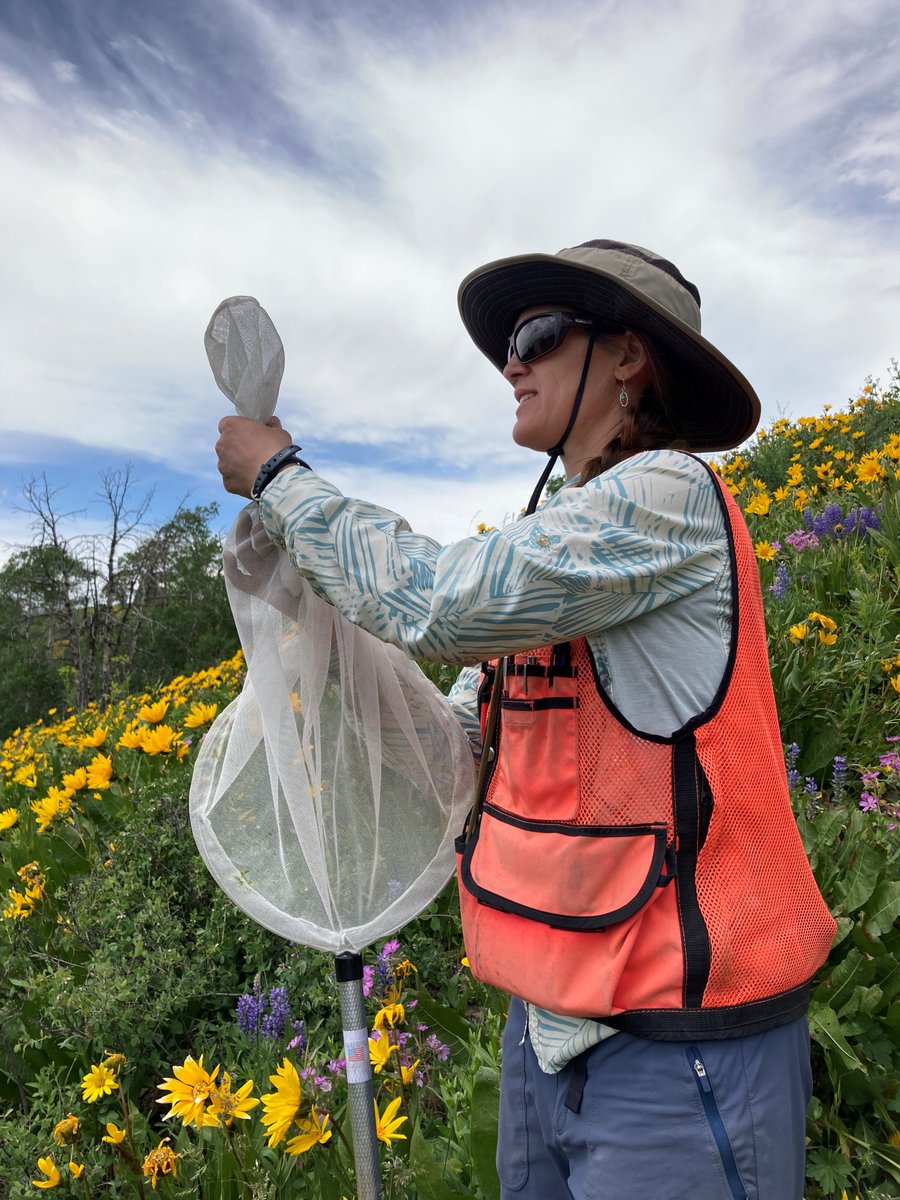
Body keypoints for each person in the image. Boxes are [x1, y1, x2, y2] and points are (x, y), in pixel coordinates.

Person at [215, 239, 836, 1200]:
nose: (511, 364)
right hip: (544, 1035)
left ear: (628, 356)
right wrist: (313, 608)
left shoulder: (667, 499)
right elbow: (452, 757)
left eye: (538, 336)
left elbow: (440, 603)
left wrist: (283, 479)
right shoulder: (556, 548)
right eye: (510, 344)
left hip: (682, 1044)